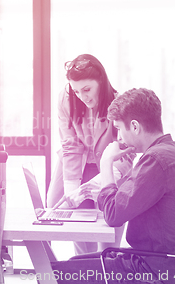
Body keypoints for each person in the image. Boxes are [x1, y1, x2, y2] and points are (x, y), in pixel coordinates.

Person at [51, 88, 175, 284]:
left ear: (135, 126)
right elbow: (128, 197)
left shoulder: (156, 161)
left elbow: (114, 215)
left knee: (52, 273)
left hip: (155, 269)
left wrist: (106, 162)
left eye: (119, 129)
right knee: (73, 263)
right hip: (170, 264)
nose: (119, 138)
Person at [47, 54, 132, 254]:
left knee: (109, 229)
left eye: (87, 89)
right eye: (76, 91)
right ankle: (85, 272)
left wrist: (104, 179)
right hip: (76, 161)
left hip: (109, 164)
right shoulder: (65, 99)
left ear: (101, 82)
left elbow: (127, 152)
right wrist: (72, 188)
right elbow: (70, 144)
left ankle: (107, 268)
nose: (82, 97)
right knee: (68, 218)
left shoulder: (120, 103)